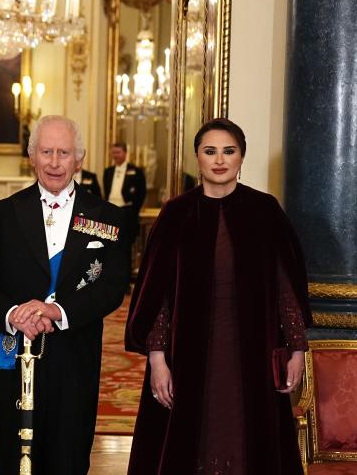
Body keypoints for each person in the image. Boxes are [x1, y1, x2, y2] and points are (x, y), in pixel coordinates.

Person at [125, 118, 312, 474]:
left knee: (249, 439)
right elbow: (156, 297)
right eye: (210, 151)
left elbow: (287, 287)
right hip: (186, 353)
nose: (220, 160)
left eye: (229, 151)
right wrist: (158, 361)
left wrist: (297, 349)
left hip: (254, 352)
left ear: (241, 157)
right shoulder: (175, 214)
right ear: (197, 158)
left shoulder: (265, 210)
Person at [0, 115, 129, 474]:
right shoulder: (4, 213)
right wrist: (13, 314)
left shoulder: (107, 218)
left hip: (75, 355)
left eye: (63, 152)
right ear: (32, 156)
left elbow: (112, 287)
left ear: (79, 159)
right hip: (14, 355)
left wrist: (57, 311)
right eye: (46, 152)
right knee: (14, 457)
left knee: (68, 456)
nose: (55, 162)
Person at [103, 142, 146, 245]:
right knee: (109, 244)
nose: (115, 155)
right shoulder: (108, 171)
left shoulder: (136, 171)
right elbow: (106, 192)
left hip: (127, 212)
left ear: (125, 153)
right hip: (110, 212)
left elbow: (142, 193)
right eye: (113, 152)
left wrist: (134, 211)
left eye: (118, 152)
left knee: (125, 245)